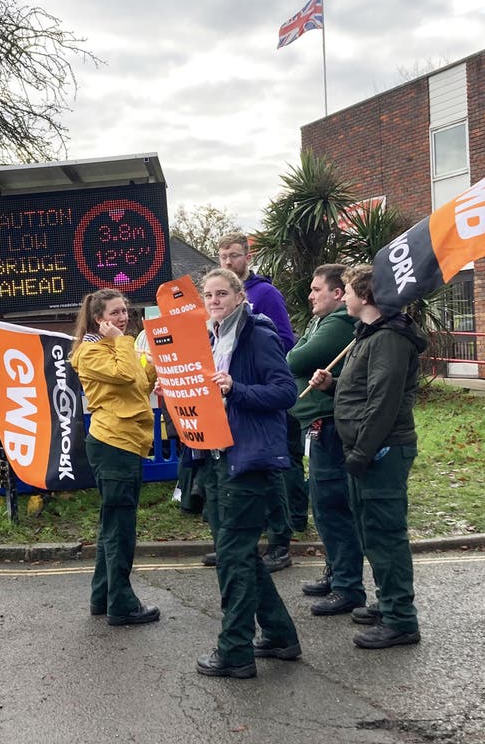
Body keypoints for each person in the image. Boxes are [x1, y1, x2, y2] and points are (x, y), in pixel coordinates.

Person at [189, 268, 300, 678]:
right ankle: (280, 635)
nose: (214, 300)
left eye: (222, 293)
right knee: (240, 556)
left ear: (239, 296)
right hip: (217, 458)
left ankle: (235, 651)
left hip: (249, 461)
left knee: (233, 559)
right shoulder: (210, 337)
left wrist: (237, 388)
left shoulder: (258, 334)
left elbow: (284, 392)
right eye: (208, 295)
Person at [309, 265, 428, 649]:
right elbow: (362, 388)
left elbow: (384, 401)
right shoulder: (369, 335)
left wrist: (362, 451)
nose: (343, 296)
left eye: (347, 291)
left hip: (381, 449)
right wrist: (334, 385)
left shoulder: (389, 339)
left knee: (385, 533)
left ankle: (400, 619)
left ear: (366, 296)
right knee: (368, 530)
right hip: (366, 449)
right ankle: (388, 602)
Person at [208, 232, 303, 572]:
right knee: (230, 485)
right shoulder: (212, 324)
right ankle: (232, 546)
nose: (228, 262)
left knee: (271, 473)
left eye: (233, 255)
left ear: (247, 257)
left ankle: (279, 541)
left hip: (257, 403)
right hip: (226, 415)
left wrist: (245, 381)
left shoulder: (266, 294)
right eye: (222, 257)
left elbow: (284, 342)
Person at [70, 289, 160, 627]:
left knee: (113, 523)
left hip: (127, 441)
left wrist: (151, 368)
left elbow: (136, 385)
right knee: (120, 528)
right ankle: (121, 604)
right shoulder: (90, 352)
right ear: (98, 318)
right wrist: (124, 343)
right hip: (113, 443)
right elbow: (123, 376)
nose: (123, 317)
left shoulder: (116, 347)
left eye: (125, 311)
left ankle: (102, 597)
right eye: (115, 313)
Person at [286, 264, 364, 616]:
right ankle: (336, 573)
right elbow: (296, 354)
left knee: (332, 505)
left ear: (337, 293)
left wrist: (299, 358)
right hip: (316, 424)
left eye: (317, 289)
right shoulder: (320, 322)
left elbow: (296, 358)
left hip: (330, 426)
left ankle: (347, 585)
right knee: (322, 503)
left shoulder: (337, 324)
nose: (310, 295)